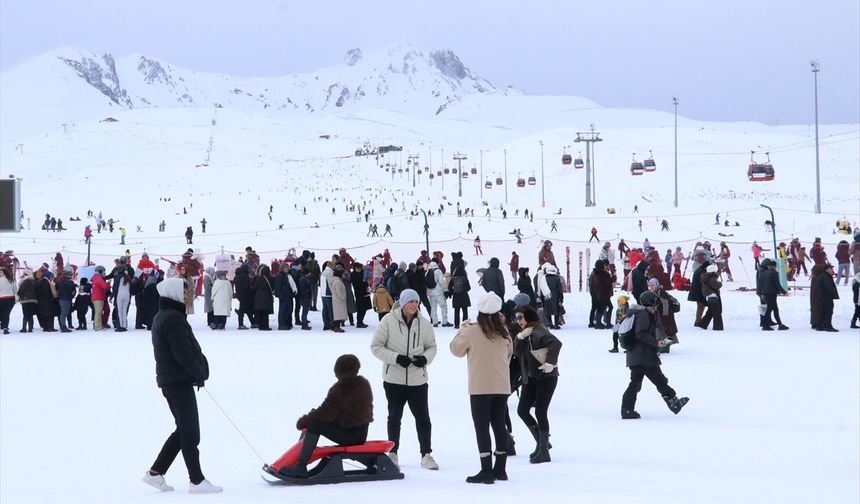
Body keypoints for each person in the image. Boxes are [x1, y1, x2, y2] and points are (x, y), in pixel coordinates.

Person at [143, 278, 221, 494]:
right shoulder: (173, 319)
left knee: (184, 430)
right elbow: (183, 354)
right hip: (177, 381)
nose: (189, 295)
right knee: (190, 433)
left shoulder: (166, 316)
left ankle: (156, 473)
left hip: (173, 380)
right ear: (175, 293)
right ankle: (196, 481)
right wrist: (199, 372)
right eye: (186, 291)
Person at [370, 289, 439, 470]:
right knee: (394, 417)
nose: (414, 305)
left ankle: (426, 454)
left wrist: (424, 359)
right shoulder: (388, 321)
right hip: (394, 379)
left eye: (416, 302)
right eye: (411, 302)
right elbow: (376, 346)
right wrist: (396, 358)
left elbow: (432, 347)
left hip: (418, 380)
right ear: (402, 303)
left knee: (423, 418)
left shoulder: (424, 324)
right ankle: (393, 453)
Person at [450, 293, 513, 484]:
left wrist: (462, 330)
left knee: (482, 428)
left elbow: (455, 350)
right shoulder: (504, 332)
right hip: (502, 385)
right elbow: (509, 355)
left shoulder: (472, 331)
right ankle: (500, 469)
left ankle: (486, 471)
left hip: (480, 387)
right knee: (499, 425)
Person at [279, 354, 374, 479]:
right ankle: (299, 464)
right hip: (359, 432)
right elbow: (339, 411)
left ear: (338, 371)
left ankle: (301, 466)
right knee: (315, 421)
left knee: (314, 425)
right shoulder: (363, 383)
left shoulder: (341, 388)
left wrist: (305, 420)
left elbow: (325, 412)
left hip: (352, 435)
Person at [620, 291, 689, 419]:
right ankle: (674, 403)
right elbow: (640, 333)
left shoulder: (636, 313)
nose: (655, 308)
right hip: (644, 356)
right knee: (659, 380)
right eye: (654, 305)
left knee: (635, 383)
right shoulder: (643, 314)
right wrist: (657, 343)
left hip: (635, 356)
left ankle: (627, 409)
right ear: (649, 303)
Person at [512, 305, 561, 464]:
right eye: (517, 318)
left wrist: (550, 363)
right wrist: (519, 337)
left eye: (521, 317)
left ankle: (544, 451)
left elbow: (556, 343)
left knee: (540, 412)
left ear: (529, 317)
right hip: (531, 378)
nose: (518, 321)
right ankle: (542, 442)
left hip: (546, 377)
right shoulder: (525, 333)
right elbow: (516, 352)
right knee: (522, 410)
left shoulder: (539, 331)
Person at [757, 259, 788, 331]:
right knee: (770, 310)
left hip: (764, 293)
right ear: (774, 266)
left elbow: (760, 283)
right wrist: (784, 292)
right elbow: (777, 284)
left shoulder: (763, 273)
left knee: (774, 309)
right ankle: (765, 325)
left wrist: (761, 293)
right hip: (772, 294)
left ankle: (780, 324)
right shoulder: (774, 273)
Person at [696, 264, 723, 330]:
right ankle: (718, 327)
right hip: (713, 297)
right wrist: (720, 283)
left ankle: (702, 324)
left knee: (710, 312)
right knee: (717, 313)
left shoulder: (706, 277)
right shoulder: (711, 278)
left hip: (709, 297)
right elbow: (716, 286)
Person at [816, 264, 839, 332]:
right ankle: (828, 325)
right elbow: (828, 286)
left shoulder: (823, 275)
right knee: (829, 311)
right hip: (826, 296)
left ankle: (820, 325)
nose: (832, 270)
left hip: (823, 296)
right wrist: (833, 292)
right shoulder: (825, 276)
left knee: (824, 311)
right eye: (831, 268)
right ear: (827, 269)